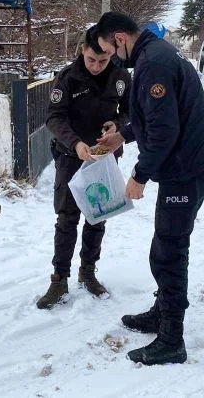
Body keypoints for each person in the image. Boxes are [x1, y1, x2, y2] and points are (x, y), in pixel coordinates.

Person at [95, 12, 204, 365]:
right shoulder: (154, 54)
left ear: (120, 38)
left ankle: (171, 339)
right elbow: (156, 115)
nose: (110, 57)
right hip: (188, 162)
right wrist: (124, 133)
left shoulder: (153, 64)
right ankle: (161, 311)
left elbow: (165, 131)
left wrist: (139, 176)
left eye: (108, 48)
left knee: (169, 248)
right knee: (165, 243)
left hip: (187, 168)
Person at [36, 25, 132, 310]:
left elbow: (130, 111)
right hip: (71, 156)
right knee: (66, 219)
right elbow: (54, 117)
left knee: (97, 215)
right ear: (82, 51)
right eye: (91, 59)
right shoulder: (67, 78)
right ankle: (59, 279)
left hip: (104, 155)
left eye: (102, 61)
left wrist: (118, 124)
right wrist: (76, 143)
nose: (96, 66)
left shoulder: (120, 76)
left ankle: (88, 270)